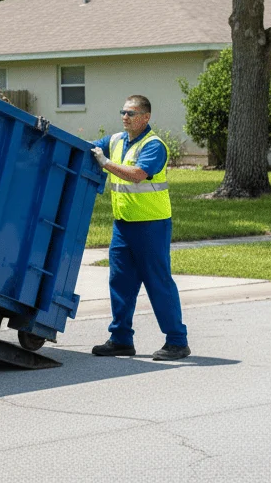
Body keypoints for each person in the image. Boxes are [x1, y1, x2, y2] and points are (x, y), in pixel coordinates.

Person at [89, 95, 190, 361]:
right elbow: (85, 148)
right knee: (120, 282)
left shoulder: (153, 145)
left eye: (131, 113)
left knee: (158, 283)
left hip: (151, 226)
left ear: (145, 117)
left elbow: (137, 175)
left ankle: (177, 342)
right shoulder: (115, 141)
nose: (125, 117)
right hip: (123, 225)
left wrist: (106, 163)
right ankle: (121, 339)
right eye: (123, 112)